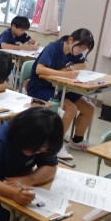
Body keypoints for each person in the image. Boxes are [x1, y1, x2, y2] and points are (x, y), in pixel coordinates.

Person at [26, 28, 96, 160]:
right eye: (80, 47)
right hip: (41, 87)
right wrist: (64, 74)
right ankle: (56, 146)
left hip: (62, 87)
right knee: (70, 108)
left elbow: (82, 65)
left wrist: (68, 69)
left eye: (84, 49)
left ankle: (77, 141)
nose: (81, 51)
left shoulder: (74, 52)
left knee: (89, 108)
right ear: (71, 40)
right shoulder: (53, 48)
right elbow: (39, 69)